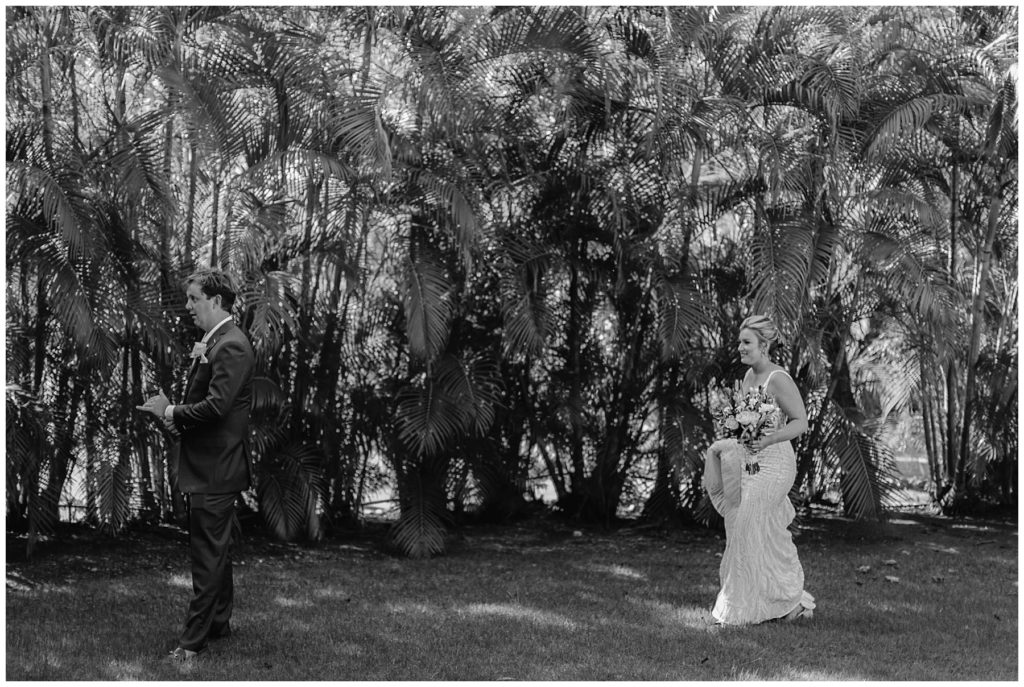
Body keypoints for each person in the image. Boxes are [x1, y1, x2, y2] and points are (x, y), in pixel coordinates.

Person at [137, 268, 255, 660]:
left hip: (216, 470)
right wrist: (171, 415)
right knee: (215, 552)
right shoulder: (216, 340)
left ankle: (191, 643)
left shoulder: (231, 344)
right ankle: (219, 623)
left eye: (193, 298)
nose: (187, 306)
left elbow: (219, 406)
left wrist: (170, 409)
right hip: (209, 466)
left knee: (206, 557)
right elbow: (207, 402)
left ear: (216, 301)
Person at [702, 314, 815, 625]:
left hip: (777, 464)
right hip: (753, 463)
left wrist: (768, 439)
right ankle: (785, 603)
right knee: (751, 530)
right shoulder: (747, 379)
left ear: (764, 345)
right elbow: (746, 426)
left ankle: (738, 608)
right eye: (740, 342)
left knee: (749, 523)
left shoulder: (778, 378)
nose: (740, 347)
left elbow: (801, 422)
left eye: (746, 342)